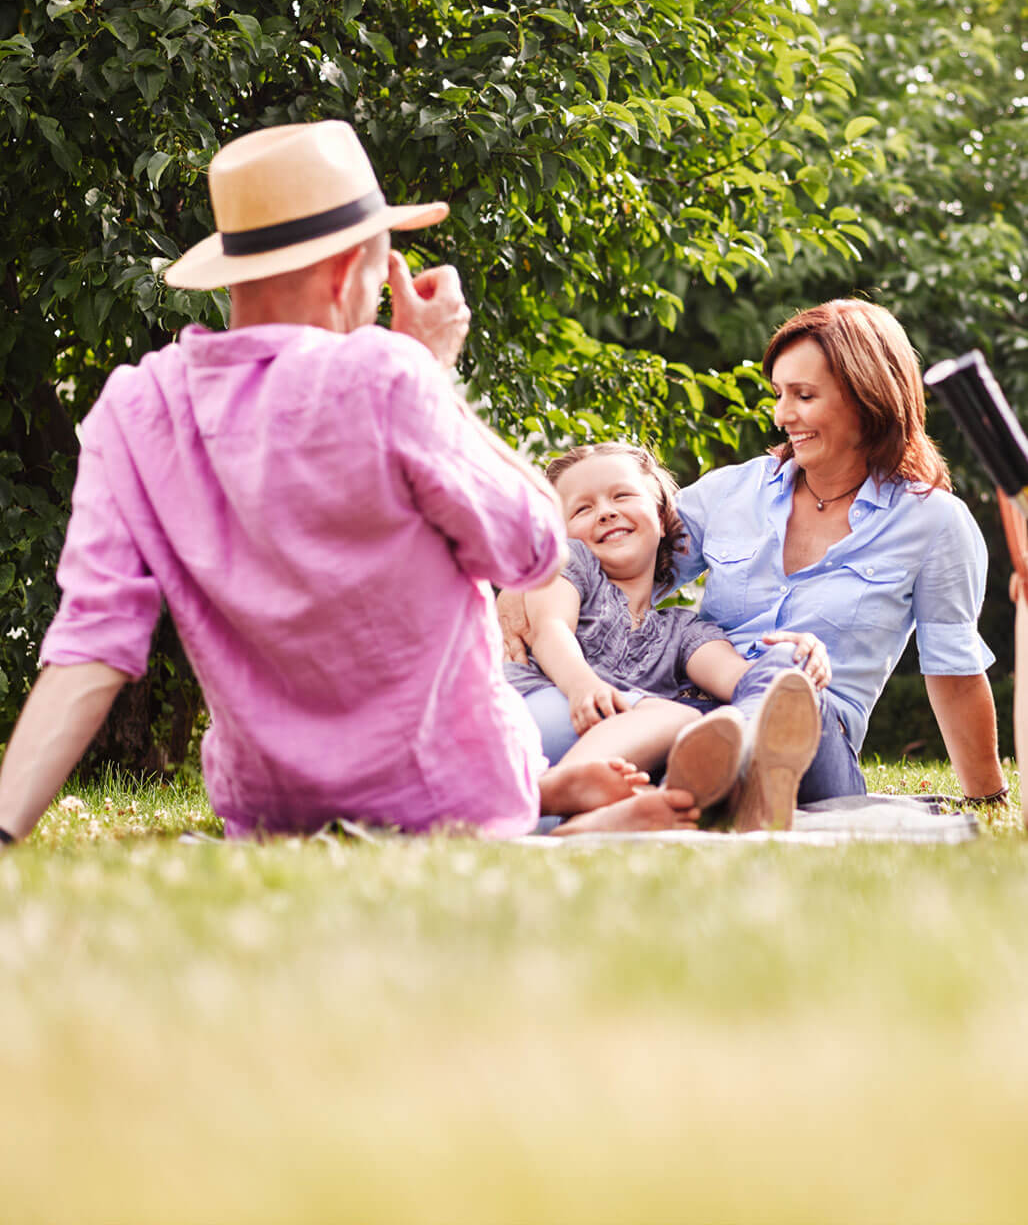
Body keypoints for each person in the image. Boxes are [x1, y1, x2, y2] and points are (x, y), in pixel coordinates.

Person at [0, 121, 653, 847]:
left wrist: (2, 827)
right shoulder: (388, 375)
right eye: (380, 273)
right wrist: (432, 370)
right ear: (346, 273)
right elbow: (534, 549)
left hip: (270, 809)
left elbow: (92, 641)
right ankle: (550, 808)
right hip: (446, 799)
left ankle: (554, 797)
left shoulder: (135, 407)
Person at [501, 300, 1007, 807]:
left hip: (811, 735)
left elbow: (953, 671)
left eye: (804, 396)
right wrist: (528, 584)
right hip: (692, 712)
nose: (783, 415)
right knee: (672, 726)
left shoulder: (935, 524)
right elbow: (622, 558)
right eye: (779, 394)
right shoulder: (732, 492)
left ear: (866, 397)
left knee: (789, 667)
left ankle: (735, 764)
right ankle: (710, 781)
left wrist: (986, 797)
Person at [505, 443, 830, 832]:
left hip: (594, 748)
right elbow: (549, 628)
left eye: (622, 495)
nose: (606, 511)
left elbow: (738, 677)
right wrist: (581, 685)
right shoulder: (574, 563)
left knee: (757, 681)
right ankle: (563, 792)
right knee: (678, 715)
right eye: (582, 509)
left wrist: (792, 660)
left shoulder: (681, 629)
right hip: (529, 709)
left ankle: (568, 819)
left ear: (661, 518)